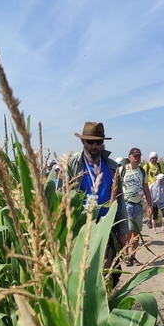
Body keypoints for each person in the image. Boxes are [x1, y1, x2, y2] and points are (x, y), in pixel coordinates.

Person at [67, 121, 129, 285]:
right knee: (82, 275)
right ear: (82, 141)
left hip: (107, 228)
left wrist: (123, 231)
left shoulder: (112, 167)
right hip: (81, 228)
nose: (95, 146)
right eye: (91, 142)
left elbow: (120, 200)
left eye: (99, 142)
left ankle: (105, 305)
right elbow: (62, 199)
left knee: (110, 274)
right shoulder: (72, 166)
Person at [121, 147, 153, 266]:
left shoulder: (142, 171)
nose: (137, 158)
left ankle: (133, 256)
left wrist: (150, 205)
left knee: (136, 232)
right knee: (128, 230)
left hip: (138, 205)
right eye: (135, 156)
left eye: (139, 156)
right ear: (129, 157)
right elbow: (115, 186)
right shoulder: (122, 170)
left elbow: (145, 188)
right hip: (126, 204)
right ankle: (125, 254)